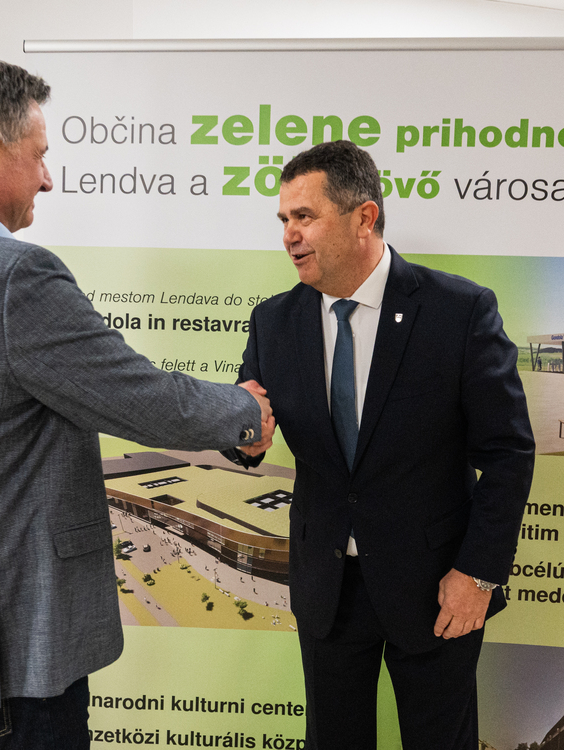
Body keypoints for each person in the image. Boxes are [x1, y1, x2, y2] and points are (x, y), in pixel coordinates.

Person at [0, 57, 273, 750]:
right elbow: (135, 397)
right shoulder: (11, 277)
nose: (48, 178)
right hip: (9, 664)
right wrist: (243, 412)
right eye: (39, 155)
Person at [225, 141, 534, 749]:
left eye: (304, 216)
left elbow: (507, 454)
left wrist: (478, 573)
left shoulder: (459, 310)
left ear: (364, 217)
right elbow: (247, 423)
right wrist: (244, 438)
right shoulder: (274, 321)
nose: (289, 235)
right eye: (283, 219)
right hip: (327, 587)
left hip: (438, 586)